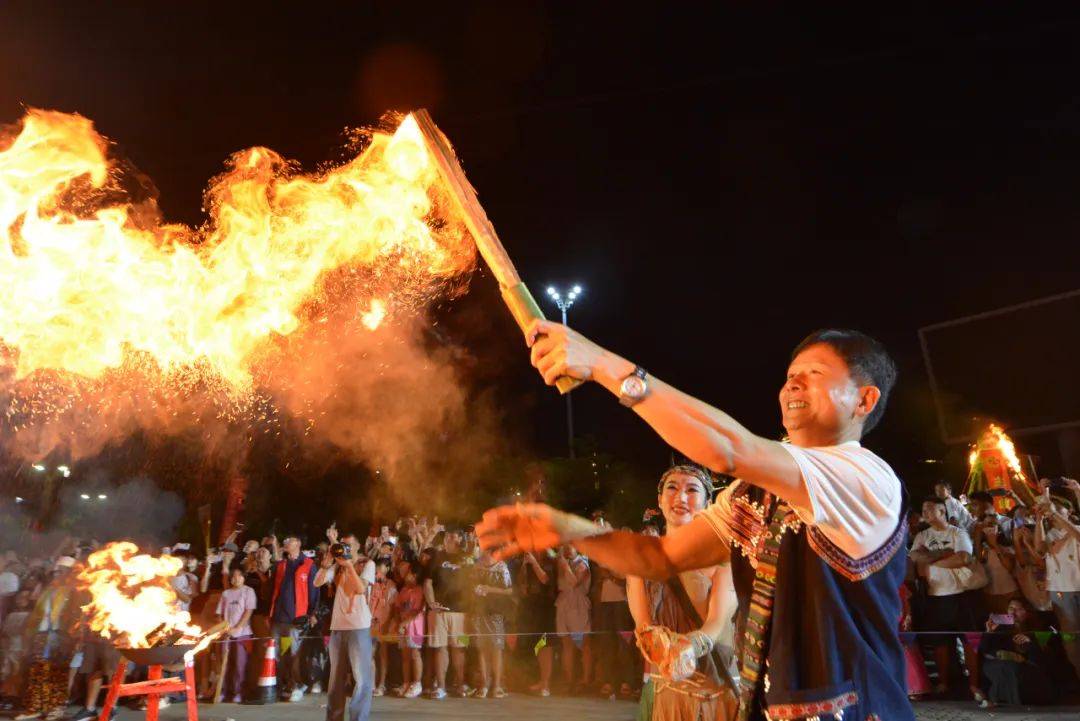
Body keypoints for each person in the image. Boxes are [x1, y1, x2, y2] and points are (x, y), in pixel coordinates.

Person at [477, 326, 912, 720]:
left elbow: (728, 449)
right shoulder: (751, 493)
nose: (793, 384)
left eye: (815, 373)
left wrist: (603, 365)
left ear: (864, 400)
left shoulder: (863, 477)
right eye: (790, 375)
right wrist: (569, 531)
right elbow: (659, 557)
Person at [628, 465, 738, 721]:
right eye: (672, 488)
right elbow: (643, 626)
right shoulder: (641, 562)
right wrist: (658, 646)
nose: (681, 497)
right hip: (666, 697)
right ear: (660, 500)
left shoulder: (723, 558)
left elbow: (716, 623)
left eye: (692, 490)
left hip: (714, 696)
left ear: (707, 503)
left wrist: (689, 647)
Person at [909, 497, 982, 699]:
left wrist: (931, 560)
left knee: (970, 640)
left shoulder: (957, 533)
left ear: (942, 511)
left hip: (963, 594)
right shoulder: (923, 535)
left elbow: (963, 558)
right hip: (936, 596)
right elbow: (914, 557)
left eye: (929, 509)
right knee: (940, 642)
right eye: (923, 509)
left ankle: (975, 685)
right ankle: (943, 683)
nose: (925, 513)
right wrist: (944, 553)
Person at [315, 545, 376, 721]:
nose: (344, 550)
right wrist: (325, 566)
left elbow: (360, 588)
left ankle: (358, 718)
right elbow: (317, 583)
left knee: (361, 678)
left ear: (356, 547)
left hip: (359, 626)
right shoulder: (337, 566)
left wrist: (349, 566)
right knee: (335, 678)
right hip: (338, 626)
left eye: (348, 546)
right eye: (342, 546)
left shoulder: (366, 564)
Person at [16, 557, 80, 721]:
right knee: (39, 671)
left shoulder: (75, 591)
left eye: (61, 571)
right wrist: (30, 634)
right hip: (42, 635)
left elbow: (78, 616)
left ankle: (56, 708)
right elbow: (36, 615)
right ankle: (36, 707)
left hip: (62, 636)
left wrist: (76, 638)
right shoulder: (48, 591)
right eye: (56, 571)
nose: (57, 574)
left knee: (59, 673)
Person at [1033, 485, 1080, 683]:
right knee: (1071, 638)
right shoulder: (1050, 534)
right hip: (1061, 590)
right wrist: (1039, 519)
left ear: (1068, 511)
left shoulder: (1076, 528)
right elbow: (1039, 550)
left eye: (1058, 509)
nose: (1052, 514)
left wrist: (1055, 513)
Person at [977, 598, 1056, 706]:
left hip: (1020, 665)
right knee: (1010, 667)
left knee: (1022, 669)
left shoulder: (1033, 629)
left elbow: (1037, 660)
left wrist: (1030, 643)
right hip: (995, 662)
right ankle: (1012, 703)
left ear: (1026, 613)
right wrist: (989, 632)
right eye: (1011, 608)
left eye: (1018, 609)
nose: (1013, 612)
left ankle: (1001, 698)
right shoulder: (1000, 626)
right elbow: (984, 649)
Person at [269, 536, 320, 702]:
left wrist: (313, 613)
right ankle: (285, 685)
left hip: (296, 619)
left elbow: (314, 591)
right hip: (279, 619)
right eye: (285, 542)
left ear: (298, 544)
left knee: (294, 654)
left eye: (289, 541)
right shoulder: (281, 565)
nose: (285, 543)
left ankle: (298, 685)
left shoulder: (308, 564)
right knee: (279, 654)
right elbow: (273, 589)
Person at [423, 531, 468, 699]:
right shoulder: (437, 557)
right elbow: (427, 582)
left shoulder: (466, 558)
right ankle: (441, 687)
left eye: (454, 536)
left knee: (460, 648)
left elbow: (473, 582)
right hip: (439, 612)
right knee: (440, 648)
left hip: (462, 613)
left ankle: (461, 684)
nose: (451, 538)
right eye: (448, 536)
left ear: (460, 539)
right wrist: (431, 603)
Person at [469, 549, 512, 698]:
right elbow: (470, 586)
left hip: (496, 613)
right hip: (479, 612)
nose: (483, 553)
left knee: (496, 649)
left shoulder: (502, 567)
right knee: (482, 648)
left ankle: (497, 686)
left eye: (486, 551)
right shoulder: (477, 566)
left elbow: (509, 590)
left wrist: (490, 589)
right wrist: (475, 590)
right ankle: (484, 685)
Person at [516, 548, 556, 697]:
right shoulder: (528, 562)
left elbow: (545, 579)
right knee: (537, 645)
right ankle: (541, 680)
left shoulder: (550, 560)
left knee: (546, 646)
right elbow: (521, 583)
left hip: (546, 607)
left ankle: (546, 684)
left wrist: (533, 563)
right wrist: (524, 565)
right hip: (532, 607)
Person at [216, 567, 256, 703]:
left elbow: (248, 611)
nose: (236, 578)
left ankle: (238, 692)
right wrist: (224, 628)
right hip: (226, 634)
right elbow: (219, 614)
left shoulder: (248, 591)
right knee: (224, 663)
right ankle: (222, 691)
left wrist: (238, 627)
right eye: (233, 576)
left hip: (243, 634)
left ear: (244, 578)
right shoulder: (226, 593)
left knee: (240, 664)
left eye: (239, 576)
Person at [555, 544, 591, 693]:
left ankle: (585, 681)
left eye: (571, 544)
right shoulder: (562, 561)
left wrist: (564, 566)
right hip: (563, 603)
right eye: (565, 545)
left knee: (583, 644)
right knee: (566, 644)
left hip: (578, 605)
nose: (568, 548)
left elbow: (575, 582)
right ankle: (568, 680)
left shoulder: (582, 562)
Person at [391, 561, 425, 698]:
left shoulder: (419, 590)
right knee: (405, 656)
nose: (405, 575)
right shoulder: (404, 590)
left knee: (415, 654)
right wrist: (398, 621)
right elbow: (397, 607)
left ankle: (417, 683)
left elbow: (417, 611)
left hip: (415, 628)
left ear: (415, 575)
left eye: (408, 573)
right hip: (402, 628)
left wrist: (404, 623)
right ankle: (406, 683)